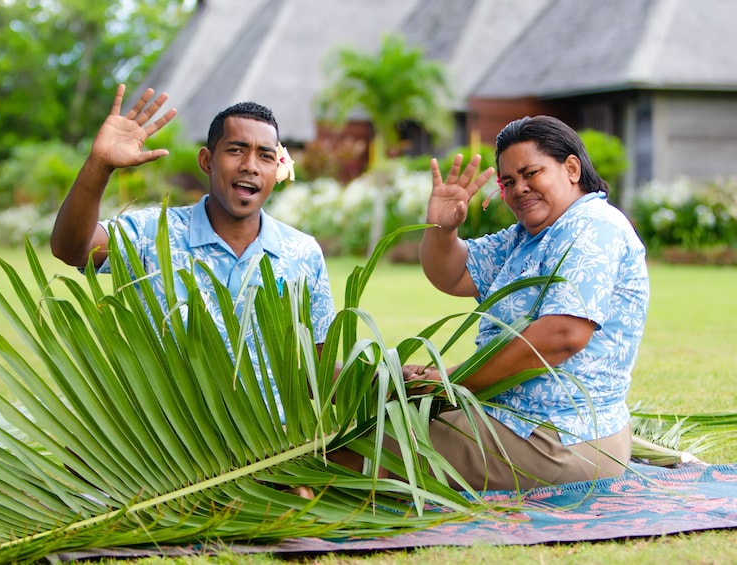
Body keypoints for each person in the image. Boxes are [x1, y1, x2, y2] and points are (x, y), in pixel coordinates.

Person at [50, 84, 336, 422]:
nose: (250, 165)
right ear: (206, 161)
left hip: (272, 451)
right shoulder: (151, 235)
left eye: (265, 155)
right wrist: (100, 165)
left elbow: (316, 369)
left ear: (277, 169)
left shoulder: (302, 252)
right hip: (176, 460)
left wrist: (385, 377)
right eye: (236, 150)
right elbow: (72, 248)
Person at [398, 115, 649, 491]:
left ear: (571, 168)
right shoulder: (527, 237)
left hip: (561, 437)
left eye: (531, 173)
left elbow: (562, 335)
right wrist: (442, 229)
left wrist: (449, 382)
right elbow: (452, 275)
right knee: (391, 416)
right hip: (513, 420)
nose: (520, 189)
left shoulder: (593, 226)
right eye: (509, 182)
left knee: (387, 440)